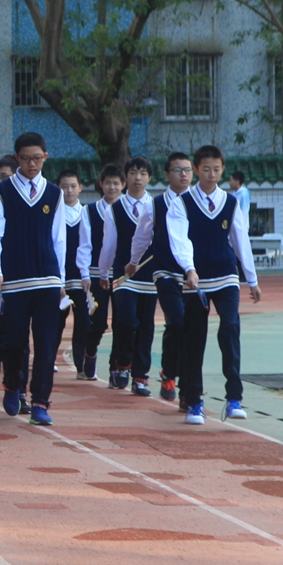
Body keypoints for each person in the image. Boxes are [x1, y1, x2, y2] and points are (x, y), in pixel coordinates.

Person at [0, 133, 67, 426]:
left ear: (45, 157)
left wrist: (61, 278)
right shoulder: (2, 192)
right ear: (17, 158)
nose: (31, 164)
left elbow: (59, 238)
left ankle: (40, 401)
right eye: (26, 158)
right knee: (14, 342)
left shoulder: (54, 193)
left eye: (37, 158)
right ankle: (13, 385)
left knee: (46, 342)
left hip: (47, 279)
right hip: (14, 281)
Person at [167, 145, 261, 424]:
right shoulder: (181, 203)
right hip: (196, 279)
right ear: (196, 170)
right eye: (206, 169)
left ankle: (234, 397)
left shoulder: (231, 203)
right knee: (194, 338)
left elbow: (241, 240)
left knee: (230, 328)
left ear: (223, 170)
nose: (211, 174)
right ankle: (194, 400)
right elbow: (179, 239)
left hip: (226, 275)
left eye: (217, 169)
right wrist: (189, 268)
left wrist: (252, 279)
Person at [128, 153, 194, 404]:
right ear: (166, 175)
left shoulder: (199, 202)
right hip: (165, 273)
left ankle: (187, 385)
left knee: (191, 328)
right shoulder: (154, 205)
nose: (184, 174)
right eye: (178, 170)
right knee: (177, 322)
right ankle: (169, 374)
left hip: (195, 277)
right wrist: (133, 262)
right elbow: (142, 237)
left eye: (188, 170)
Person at [98, 156, 156, 394]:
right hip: (123, 277)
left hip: (150, 278)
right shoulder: (115, 209)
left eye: (142, 173)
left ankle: (140, 376)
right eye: (133, 173)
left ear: (149, 178)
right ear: (126, 178)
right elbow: (109, 243)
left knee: (146, 326)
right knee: (124, 320)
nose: (138, 178)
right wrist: (104, 272)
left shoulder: (158, 206)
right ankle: (123, 363)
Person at [78, 166, 120, 381]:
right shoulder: (89, 211)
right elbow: (84, 244)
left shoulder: (129, 210)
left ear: (123, 185)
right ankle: (90, 351)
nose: (112, 187)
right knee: (99, 322)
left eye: (116, 183)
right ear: (101, 184)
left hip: (121, 275)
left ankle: (115, 369)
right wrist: (84, 274)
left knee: (122, 323)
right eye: (108, 183)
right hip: (96, 275)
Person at [56, 169, 96, 382]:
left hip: (81, 278)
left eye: (73, 186)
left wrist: (86, 273)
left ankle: (81, 365)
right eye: (64, 186)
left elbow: (87, 246)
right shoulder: (54, 213)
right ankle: (48, 359)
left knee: (84, 322)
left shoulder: (86, 213)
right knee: (56, 321)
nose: (69, 190)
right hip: (59, 278)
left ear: (80, 188)